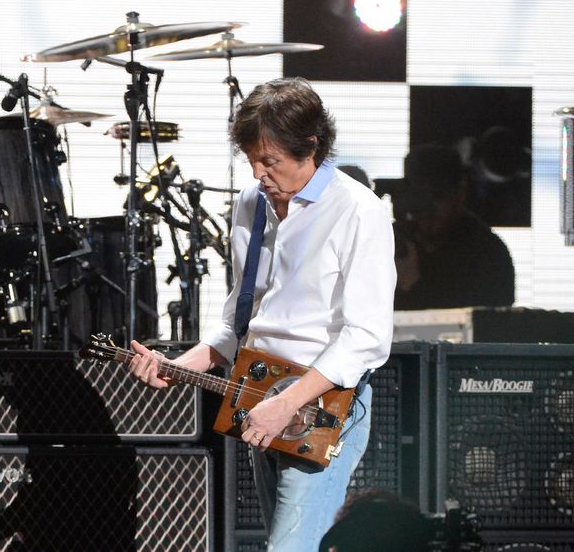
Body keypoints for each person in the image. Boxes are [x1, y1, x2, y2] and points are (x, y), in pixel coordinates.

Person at [128, 77, 395, 551]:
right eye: (251, 159)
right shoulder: (251, 204)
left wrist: (287, 403)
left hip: (324, 403)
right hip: (257, 392)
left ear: (309, 146)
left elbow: (366, 338)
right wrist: (184, 364)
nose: (257, 174)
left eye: (269, 161)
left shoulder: (358, 211)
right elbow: (239, 316)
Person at [390, 143, 515, 310]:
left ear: (460, 194)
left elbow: (484, 324)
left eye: (438, 196)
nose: (428, 208)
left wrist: (412, 284)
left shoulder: (486, 252)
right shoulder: (392, 240)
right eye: (420, 196)